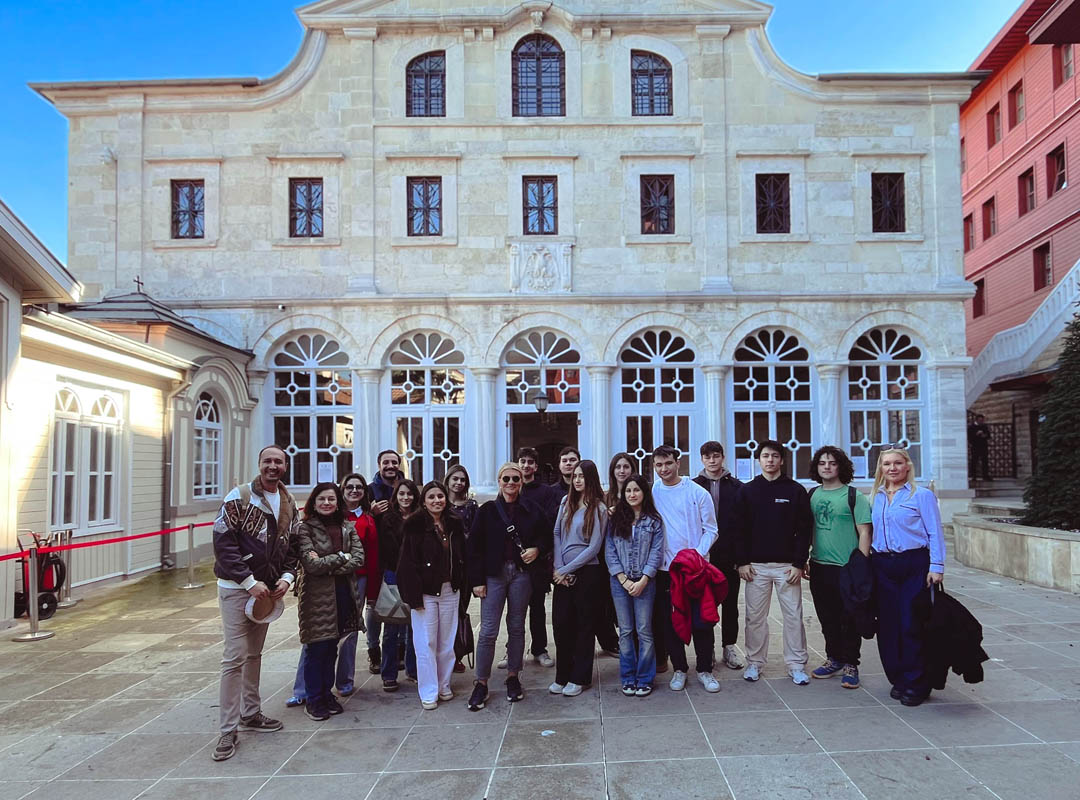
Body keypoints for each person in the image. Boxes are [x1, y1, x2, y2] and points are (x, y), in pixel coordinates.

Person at [211, 444, 299, 762]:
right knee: (234, 657)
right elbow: (223, 543)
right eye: (267, 461)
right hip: (236, 589)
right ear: (259, 464)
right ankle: (226, 730)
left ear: (285, 467)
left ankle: (251, 713)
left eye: (278, 462)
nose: (272, 466)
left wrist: (287, 577)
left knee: (254, 655)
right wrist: (249, 582)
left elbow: (293, 547)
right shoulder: (240, 497)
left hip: (266, 593)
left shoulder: (289, 504)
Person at [286, 472, 378, 706]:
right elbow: (312, 564)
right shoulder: (305, 528)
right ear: (314, 502)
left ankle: (326, 695)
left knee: (332, 648)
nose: (327, 503)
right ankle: (313, 699)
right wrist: (340, 556)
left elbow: (358, 559)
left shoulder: (347, 527)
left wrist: (330, 560)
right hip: (317, 597)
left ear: (337, 502)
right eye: (322, 499)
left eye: (331, 499)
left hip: (343, 593)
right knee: (317, 648)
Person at [466, 462, 551, 710]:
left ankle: (513, 675)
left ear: (521, 482)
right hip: (494, 574)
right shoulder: (488, 511)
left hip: (521, 574)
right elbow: (475, 548)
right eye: (506, 479)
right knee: (488, 630)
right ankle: (481, 682)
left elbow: (546, 536)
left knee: (516, 627)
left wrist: (537, 549)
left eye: (515, 479)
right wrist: (477, 581)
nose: (511, 483)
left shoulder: (532, 509)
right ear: (499, 481)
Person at [871, 446, 946, 707]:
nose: (892, 468)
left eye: (897, 463)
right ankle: (898, 678)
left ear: (907, 466)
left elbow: (935, 532)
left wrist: (936, 566)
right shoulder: (876, 496)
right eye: (886, 464)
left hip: (914, 563)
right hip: (883, 565)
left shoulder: (921, 495)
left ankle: (917, 682)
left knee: (911, 623)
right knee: (888, 626)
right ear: (880, 468)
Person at [735, 440, 813, 685]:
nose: (770, 460)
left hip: (787, 567)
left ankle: (796, 664)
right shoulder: (747, 491)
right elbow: (738, 529)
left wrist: (799, 563)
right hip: (755, 568)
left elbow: (804, 529)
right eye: (765, 456)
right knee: (754, 618)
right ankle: (755, 663)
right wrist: (742, 562)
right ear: (758, 460)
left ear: (781, 460)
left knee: (793, 617)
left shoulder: (795, 490)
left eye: (775, 456)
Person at [650, 445, 720, 693]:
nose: (664, 469)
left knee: (702, 622)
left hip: (694, 569)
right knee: (670, 623)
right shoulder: (654, 490)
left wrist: (695, 556)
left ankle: (705, 670)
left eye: (668, 463)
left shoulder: (697, 492)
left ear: (678, 463)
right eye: (658, 465)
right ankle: (679, 668)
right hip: (665, 570)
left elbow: (711, 529)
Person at [806, 447, 872, 689]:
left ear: (840, 466)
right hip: (820, 566)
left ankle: (851, 664)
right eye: (822, 463)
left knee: (849, 618)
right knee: (827, 617)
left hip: (847, 567)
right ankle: (834, 658)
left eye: (832, 463)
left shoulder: (855, 496)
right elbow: (809, 530)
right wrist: (806, 557)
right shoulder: (812, 494)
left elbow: (865, 531)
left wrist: (861, 564)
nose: (827, 467)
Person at [397, 481, 467, 709]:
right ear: (424, 501)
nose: (437, 500)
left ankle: (444, 684)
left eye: (440, 496)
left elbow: (461, 557)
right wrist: (414, 598)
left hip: (450, 590)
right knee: (426, 642)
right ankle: (429, 690)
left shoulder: (454, 523)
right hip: (425, 593)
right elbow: (406, 564)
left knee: (447, 641)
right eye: (432, 497)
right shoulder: (414, 525)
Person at [550, 460, 609, 696]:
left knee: (584, 626)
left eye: (582, 476)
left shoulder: (599, 508)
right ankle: (562, 675)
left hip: (588, 573)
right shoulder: (566, 502)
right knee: (561, 624)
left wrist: (567, 569)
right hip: (562, 573)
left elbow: (594, 547)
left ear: (591, 478)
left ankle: (580, 677)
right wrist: (558, 567)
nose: (577, 480)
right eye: (574, 476)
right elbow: (556, 534)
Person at [606, 474, 664, 697]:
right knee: (626, 631)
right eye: (628, 491)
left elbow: (656, 553)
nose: (632, 494)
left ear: (644, 493)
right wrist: (622, 579)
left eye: (636, 490)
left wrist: (643, 580)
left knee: (644, 630)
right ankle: (628, 677)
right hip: (619, 583)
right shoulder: (615, 519)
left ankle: (645, 678)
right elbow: (610, 551)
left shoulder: (654, 521)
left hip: (645, 582)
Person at [692, 441, 745, 671]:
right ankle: (708, 648)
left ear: (723, 457)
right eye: (707, 457)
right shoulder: (693, 486)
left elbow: (745, 525)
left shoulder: (737, 487)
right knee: (705, 604)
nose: (712, 461)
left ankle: (729, 646)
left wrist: (741, 557)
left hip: (728, 555)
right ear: (701, 459)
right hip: (702, 555)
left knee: (730, 603)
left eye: (716, 456)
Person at [506, 447, 555, 669]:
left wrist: (538, 548)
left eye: (529, 462)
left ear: (536, 466)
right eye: (522, 461)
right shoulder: (510, 488)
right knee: (514, 610)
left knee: (537, 606)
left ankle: (539, 649)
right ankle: (511, 651)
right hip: (512, 560)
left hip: (536, 559)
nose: (525, 466)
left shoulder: (545, 492)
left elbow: (548, 526)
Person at [376, 478, 419, 691]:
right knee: (392, 627)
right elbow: (387, 548)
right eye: (401, 493)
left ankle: (413, 669)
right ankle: (389, 673)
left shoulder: (421, 517)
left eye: (409, 494)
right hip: (394, 573)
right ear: (396, 496)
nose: (405, 497)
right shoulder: (388, 518)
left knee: (415, 626)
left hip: (417, 576)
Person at [365, 450, 400, 674]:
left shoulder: (405, 486)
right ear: (379, 464)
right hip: (374, 554)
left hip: (397, 555)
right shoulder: (369, 489)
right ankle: (373, 649)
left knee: (398, 603)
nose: (390, 466)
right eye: (386, 462)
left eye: (393, 462)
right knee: (374, 603)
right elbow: (355, 515)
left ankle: (398, 649)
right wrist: (371, 511)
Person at [446, 464, 479, 673]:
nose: (459, 483)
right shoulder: (439, 502)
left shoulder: (471, 505)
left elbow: (477, 536)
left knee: (460, 611)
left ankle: (456, 654)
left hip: (464, 566)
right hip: (444, 565)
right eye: (455, 479)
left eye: (462, 479)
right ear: (448, 479)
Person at [967, 414, 992, 482]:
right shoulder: (971, 427)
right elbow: (970, 438)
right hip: (975, 446)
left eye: (982, 420)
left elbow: (988, 435)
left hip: (983, 446)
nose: (981, 422)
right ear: (977, 420)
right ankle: (974, 476)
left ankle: (985, 476)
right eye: (980, 420)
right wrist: (976, 434)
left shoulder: (984, 426)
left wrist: (984, 435)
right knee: (974, 461)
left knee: (985, 461)